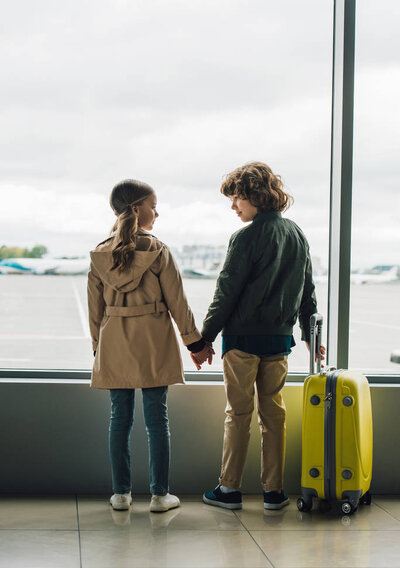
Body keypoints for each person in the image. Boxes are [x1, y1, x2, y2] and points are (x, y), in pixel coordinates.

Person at [192, 161, 325, 511]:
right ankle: (274, 492)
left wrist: (204, 339)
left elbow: (227, 292)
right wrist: (309, 333)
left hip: (242, 342)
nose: (233, 207)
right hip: (279, 342)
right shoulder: (297, 234)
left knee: (238, 414)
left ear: (254, 195)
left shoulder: (245, 237)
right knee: (274, 415)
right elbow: (307, 290)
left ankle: (229, 489)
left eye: (236, 199)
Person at [87, 179, 213, 512]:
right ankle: (160, 495)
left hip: (114, 341)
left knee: (119, 420)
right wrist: (195, 344)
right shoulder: (158, 250)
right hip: (154, 340)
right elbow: (178, 303)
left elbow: (94, 311)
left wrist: (99, 349)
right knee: (158, 421)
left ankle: (121, 495)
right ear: (136, 208)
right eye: (153, 206)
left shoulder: (100, 254)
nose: (157, 212)